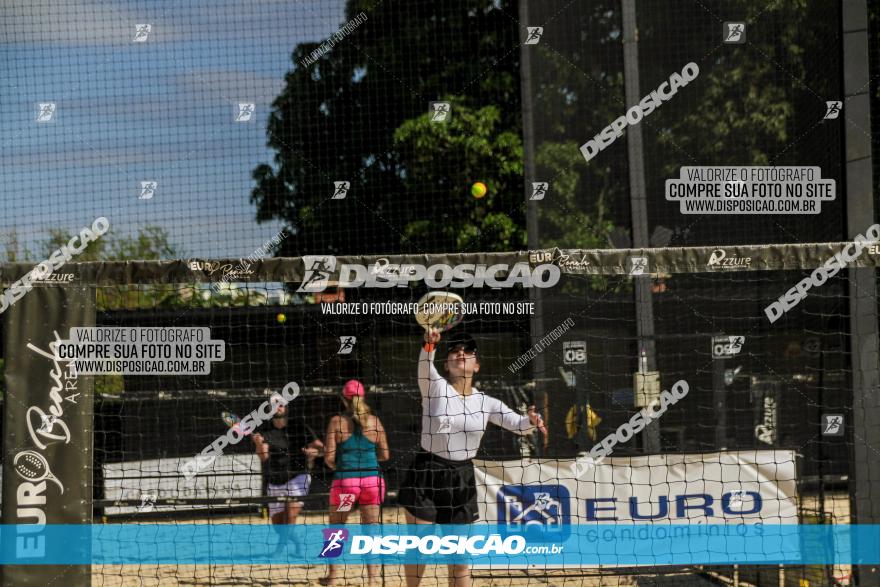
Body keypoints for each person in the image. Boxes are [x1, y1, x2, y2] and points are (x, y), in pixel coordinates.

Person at [398, 328, 547, 587]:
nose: (461, 353)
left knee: (460, 558)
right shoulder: (435, 386)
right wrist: (429, 344)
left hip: (461, 477)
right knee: (420, 547)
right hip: (427, 472)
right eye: (455, 351)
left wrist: (532, 420)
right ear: (446, 363)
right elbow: (424, 365)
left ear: (476, 366)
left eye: (467, 351)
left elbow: (519, 424)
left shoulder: (486, 402)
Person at [319, 379, 390, 586]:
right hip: (372, 483)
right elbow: (385, 454)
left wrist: (339, 465)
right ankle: (373, 579)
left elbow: (329, 458)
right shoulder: (375, 422)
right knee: (371, 531)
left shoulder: (336, 422)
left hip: (346, 485)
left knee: (337, 529)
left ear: (343, 399)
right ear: (363, 397)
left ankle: (333, 578)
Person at [251, 401, 323, 554]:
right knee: (279, 527)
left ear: (286, 407)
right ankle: (297, 544)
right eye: (274, 405)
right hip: (275, 480)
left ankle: (278, 551)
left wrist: (314, 452)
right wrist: (258, 444)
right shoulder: (265, 431)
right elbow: (263, 458)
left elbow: (321, 448)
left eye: (281, 404)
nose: (278, 407)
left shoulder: (299, 426)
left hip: (298, 477)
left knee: (290, 518)